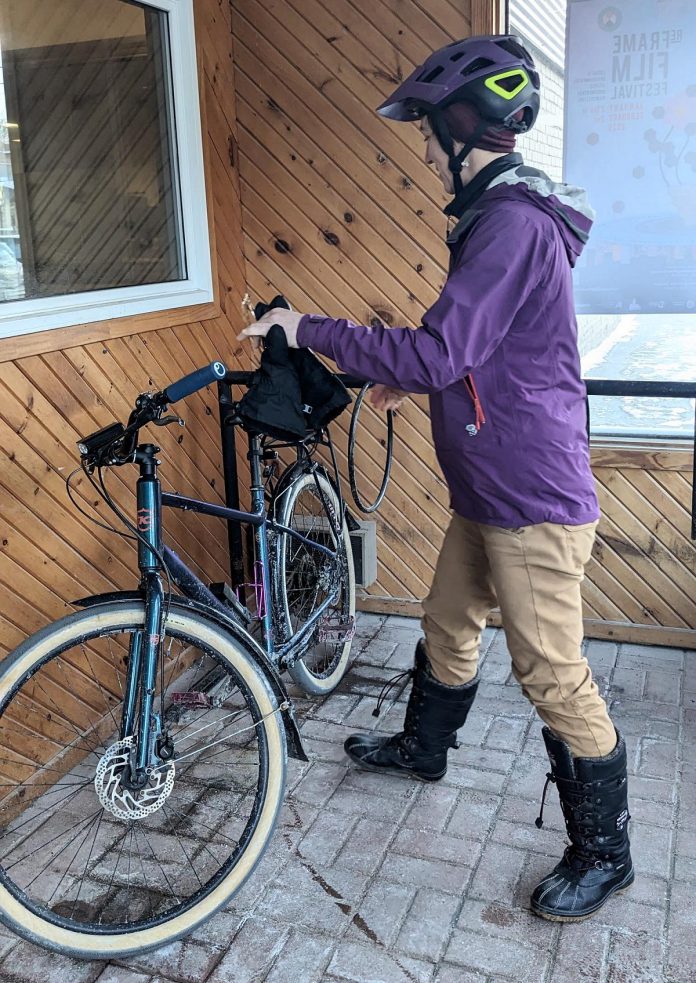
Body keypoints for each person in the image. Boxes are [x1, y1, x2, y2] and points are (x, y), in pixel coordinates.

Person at [238, 34, 633, 922]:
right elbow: (478, 352)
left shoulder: (511, 224)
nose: (422, 147)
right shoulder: (499, 218)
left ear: (464, 124)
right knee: (448, 621)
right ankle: (425, 748)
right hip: (491, 486)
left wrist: (309, 328)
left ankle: (608, 851)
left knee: (552, 672)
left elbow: (443, 345)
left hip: (530, 497)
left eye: (426, 128)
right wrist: (405, 379)